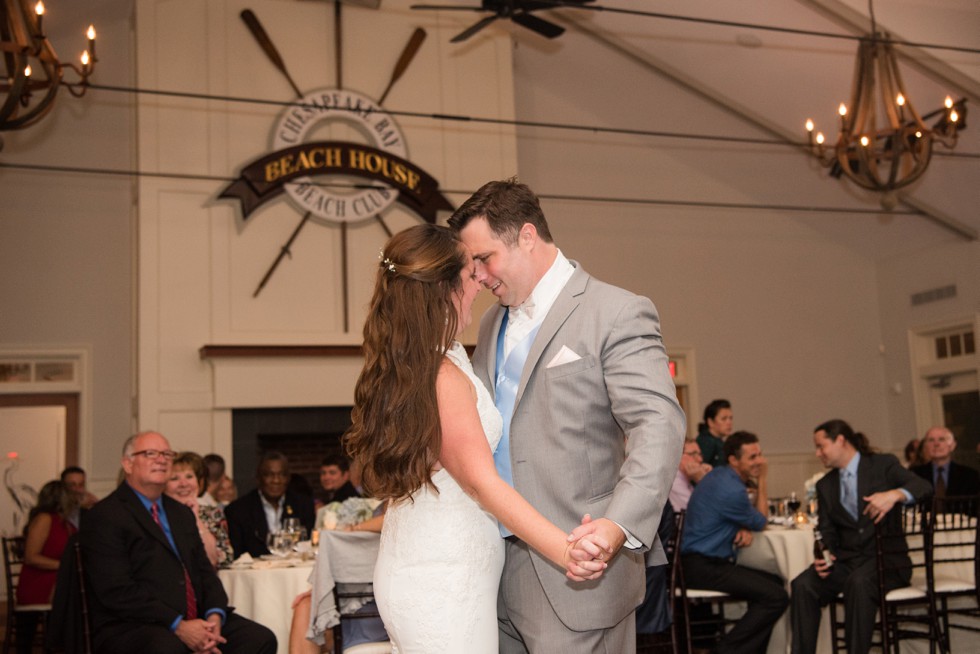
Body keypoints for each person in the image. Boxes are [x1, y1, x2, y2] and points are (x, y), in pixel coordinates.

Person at [344, 223, 613, 654]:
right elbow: (479, 483)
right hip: (445, 583)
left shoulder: (429, 359)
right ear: (446, 289)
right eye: (472, 275)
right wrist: (564, 551)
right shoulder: (441, 375)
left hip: (431, 564)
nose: (482, 283)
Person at [449, 179, 686, 652]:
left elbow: (657, 424)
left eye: (484, 258)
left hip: (579, 566)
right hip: (492, 565)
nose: (476, 276)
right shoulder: (492, 320)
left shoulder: (616, 311)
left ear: (528, 236)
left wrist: (618, 525)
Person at [79, 431, 276, 654]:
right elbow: (117, 591)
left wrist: (214, 616)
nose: (161, 459)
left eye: (167, 454)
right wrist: (178, 625)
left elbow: (204, 572)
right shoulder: (106, 515)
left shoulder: (181, 514)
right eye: (150, 453)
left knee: (259, 639)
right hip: (134, 624)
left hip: (195, 616)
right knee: (169, 648)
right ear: (128, 464)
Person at [790, 419, 931, 654]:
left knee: (859, 583)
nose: (817, 453)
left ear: (841, 441)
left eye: (821, 446)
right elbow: (826, 530)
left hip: (886, 561)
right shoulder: (826, 485)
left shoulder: (882, 465)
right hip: (847, 562)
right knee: (803, 585)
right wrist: (824, 555)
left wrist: (895, 494)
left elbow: (923, 487)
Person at [681, 431, 787, 653]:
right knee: (776, 597)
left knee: (775, 583)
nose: (760, 461)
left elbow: (736, 515)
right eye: (753, 457)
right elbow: (761, 521)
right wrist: (764, 480)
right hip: (701, 565)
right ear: (733, 460)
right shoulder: (731, 489)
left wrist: (741, 524)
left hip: (701, 562)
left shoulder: (720, 476)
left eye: (760, 454)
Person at [15, 480, 78, 654]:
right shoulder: (44, 519)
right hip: (39, 584)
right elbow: (31, 557)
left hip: (58, 583)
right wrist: (64, 566)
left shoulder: (66, 522)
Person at [224, 451, 315, 558]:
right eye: (269, 475)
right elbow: (237, 554)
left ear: (288, 478)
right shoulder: (238, 510)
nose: (276, 480)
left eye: (281, 475)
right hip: (254, 572)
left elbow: (308, 546)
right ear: (258, 478)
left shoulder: (303, 505)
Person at [164, 451, 234, 568]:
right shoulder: (157, 515)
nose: (183, 484)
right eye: (174, 478)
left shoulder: (212, 514)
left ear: (199, 483)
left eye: (189, 476)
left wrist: (195, 518)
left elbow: (220, 559)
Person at [911, 426, 980, 498]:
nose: (936, 444)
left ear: (952, 445)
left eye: (941, 439)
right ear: (925, 446)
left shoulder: (969, 475)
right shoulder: (915, 475)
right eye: (931, 440)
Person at [670, 437, 712, 512]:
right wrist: (702, 480)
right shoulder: (673, 481)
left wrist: (710, 477)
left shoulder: (687, 477)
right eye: (693, 454)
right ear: (677, 456)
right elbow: (702, 510)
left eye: (699, 454)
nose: (700, 459)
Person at [696, 399, 733, 468]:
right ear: (710, 422)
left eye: (730, 418)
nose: (729, 422)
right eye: (724, 419)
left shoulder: (718, 441)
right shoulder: (706, 442)